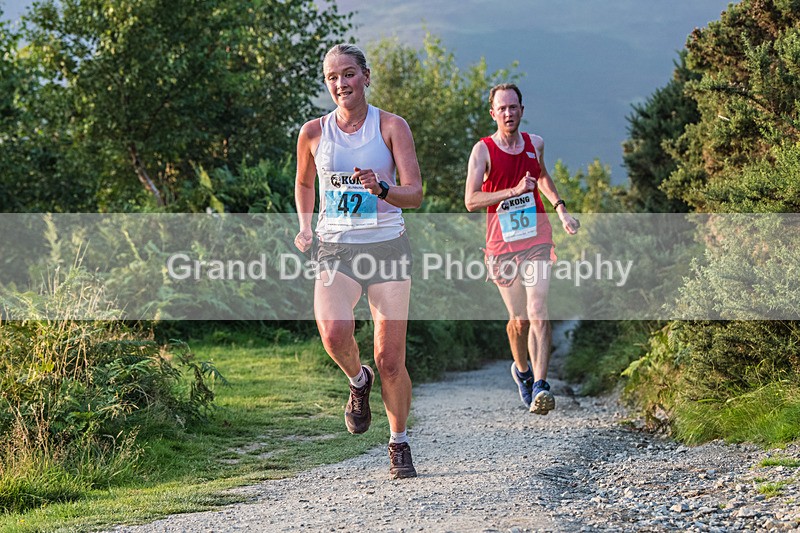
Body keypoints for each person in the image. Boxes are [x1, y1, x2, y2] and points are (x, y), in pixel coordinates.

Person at [294, 43, 423, 479]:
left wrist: (383, 189)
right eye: (332, 77)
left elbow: (416, 193)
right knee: (333, 332)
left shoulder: (391, 126)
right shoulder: (313, 132)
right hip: (335, 246)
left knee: (390, 358)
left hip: (387, 245)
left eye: (348, 74)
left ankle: (398, 442)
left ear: (366, 76)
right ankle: (357, 380)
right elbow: (304, 183)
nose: (341, 83)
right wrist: (306, 225)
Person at [464, 83, 579, 415]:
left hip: (536, 238)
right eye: (502, 109)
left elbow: (542, 176)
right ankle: (523, 371)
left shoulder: (535, 144)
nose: (508, 113)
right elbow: (471, 201)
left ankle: (542, 384)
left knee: (539, 309)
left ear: (522, 110)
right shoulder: (483, 150)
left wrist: (560, 208)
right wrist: (511, 191)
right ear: (493, 113)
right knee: (518, 320)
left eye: (513, 107)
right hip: (501, 245)